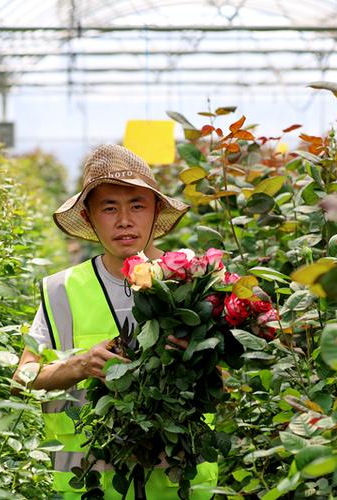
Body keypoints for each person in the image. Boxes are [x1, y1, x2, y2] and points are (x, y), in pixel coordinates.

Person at [12, 144, 218, 498]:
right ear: (90, 218)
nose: (124, 220)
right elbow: (22, 378)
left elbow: (228, 377)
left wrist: (197, 356)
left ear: (156, 211)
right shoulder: (62, 290)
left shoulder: (193, 281)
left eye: (137, 205)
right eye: (109, 208)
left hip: (179, 486)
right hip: (91, 484)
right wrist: (78, 365)